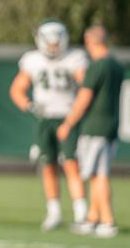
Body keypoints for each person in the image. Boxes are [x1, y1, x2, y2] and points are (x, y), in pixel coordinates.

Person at [9, 19, 89, 231]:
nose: (53, 47)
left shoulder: (75, 58)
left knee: (72, 164)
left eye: (56, 43)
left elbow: (86, 86)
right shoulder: (32, 60)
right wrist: (29, 106)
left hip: (68, 117)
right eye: (50, 43)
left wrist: (76, 112)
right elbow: (17, 89)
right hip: (44, 119)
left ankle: (81, 212)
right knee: (48, 165)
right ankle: (54, 212)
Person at [57, 25, 125, 238]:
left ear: (90, 42)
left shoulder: (97, 66)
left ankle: (107, 220)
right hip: (112, 125)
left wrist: (68, 124)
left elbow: (84, 98)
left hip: (95, 127)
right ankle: (92, 218)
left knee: (99, 175)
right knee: (97, 173)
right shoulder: (116, 65)